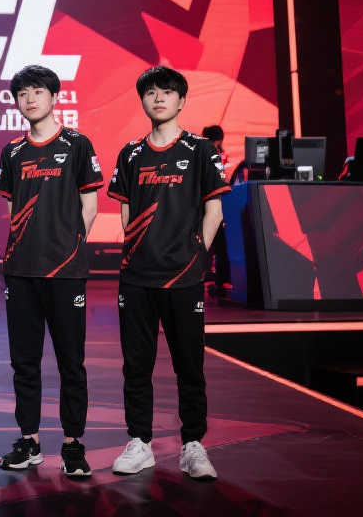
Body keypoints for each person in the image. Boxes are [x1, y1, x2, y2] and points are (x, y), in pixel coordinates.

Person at [107, 66, 229, 481]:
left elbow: (214, 211)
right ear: (142, 101)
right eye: (151, 92)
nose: (158, 98)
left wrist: (196, 256)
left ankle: (193, 445)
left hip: (184, 278)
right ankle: (139, 442)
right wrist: (139, 249)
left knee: (189, 366)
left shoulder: (200, 150)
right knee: (136, 366)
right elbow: (126, 211)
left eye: (167, 92)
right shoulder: (130, 153)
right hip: (137, 278)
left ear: (181, 101)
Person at [0, 65, 103, 479]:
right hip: (21, 272)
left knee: (71, 361)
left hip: (66, 272)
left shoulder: (77, 144)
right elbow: (13, 209)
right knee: (24, 362)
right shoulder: (12, 151)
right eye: (22, 93)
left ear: (54, 97)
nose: (30, 99)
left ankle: (73, 444)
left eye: (37, 91)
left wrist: (68, 246)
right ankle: (30, 440)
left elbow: (89, 205)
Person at [201, 125, 231, 296]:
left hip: (213, 206)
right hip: (211, 206)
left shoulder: (216, 156)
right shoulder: (210, 155)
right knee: (215, 245)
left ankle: (218, 280)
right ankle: (217, 280)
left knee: (215, 245)